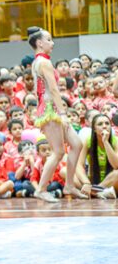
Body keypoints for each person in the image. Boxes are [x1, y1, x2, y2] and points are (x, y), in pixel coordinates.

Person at [27, 27, 86, 202]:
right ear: (39, 43)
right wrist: (63, 113)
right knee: (58, 152)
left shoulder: (39, 61)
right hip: (50, 111)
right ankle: (41, 189)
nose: (52, 43)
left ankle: (69, 185)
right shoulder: (44, 62)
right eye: (49, 40)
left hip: (50, 109)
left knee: (76, 144)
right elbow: (53, 90)